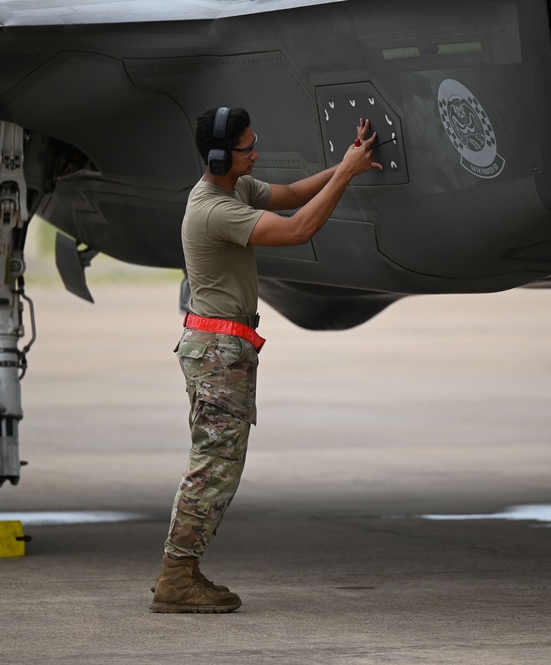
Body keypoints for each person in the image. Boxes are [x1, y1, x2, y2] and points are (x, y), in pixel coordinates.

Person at [149, 106, 382, 613]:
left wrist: (348, 160)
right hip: (217, 355)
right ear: (218, 157)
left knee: (216, 466)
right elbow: (299, 229)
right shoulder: (213, 207)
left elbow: (296, 195)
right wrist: (348, 172)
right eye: (247, 147)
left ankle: (183, 571)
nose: (256, 153)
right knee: (212, 468)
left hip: (223, 349)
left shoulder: (234, 187)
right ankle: (175, 579)